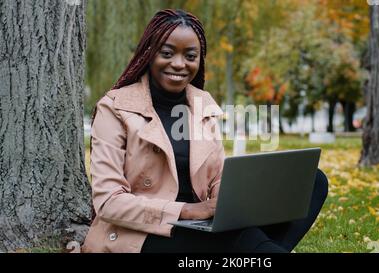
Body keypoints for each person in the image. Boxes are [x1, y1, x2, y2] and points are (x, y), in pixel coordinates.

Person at [82, 9, 328, 253]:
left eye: (190, 56)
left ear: (200, 61)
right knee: (238, 238)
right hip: (140, 232)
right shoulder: (114, 108)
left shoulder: (202, 106)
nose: (179, 64)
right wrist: (188, 211)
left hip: (199, 225)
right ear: (148, 53)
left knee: (313, 183)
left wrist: (228, 205)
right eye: (167, 53)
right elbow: (109, 202)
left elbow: (217, 177)